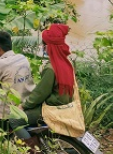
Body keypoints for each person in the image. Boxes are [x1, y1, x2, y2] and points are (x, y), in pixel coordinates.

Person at [10, 23, 78, 151]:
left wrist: (23, 105)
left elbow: (40, 94)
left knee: (14, 120)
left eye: (44, 45)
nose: (43, 47)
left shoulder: (51, 68)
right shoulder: (65, 62)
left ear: (50, 46)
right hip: (63, 106)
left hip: (51, 109)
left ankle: (34, 150)